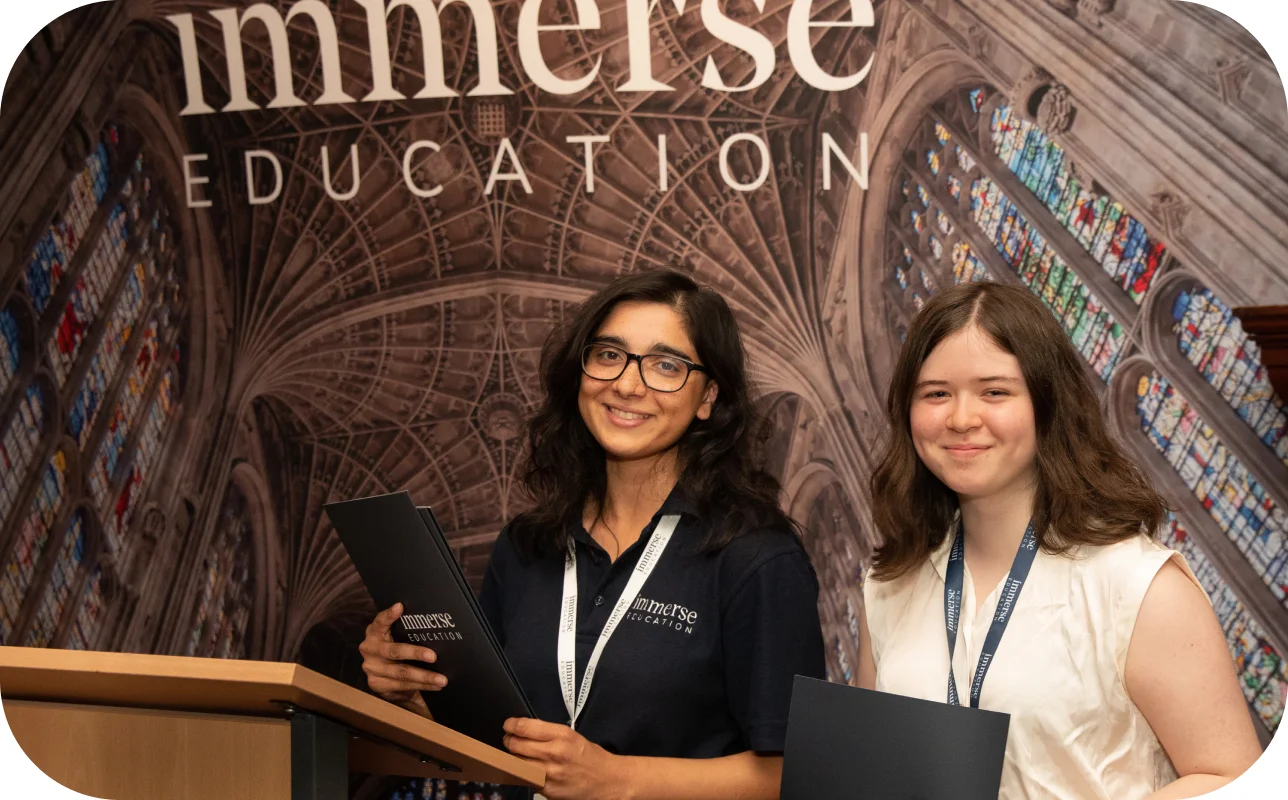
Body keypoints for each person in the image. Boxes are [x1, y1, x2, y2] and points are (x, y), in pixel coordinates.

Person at [359, 269, 826, 800]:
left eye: (666, 365)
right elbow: (490, 734)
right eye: (609, 355)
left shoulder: (756, 559)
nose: (627, 384)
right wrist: (411, 692)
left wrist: (619, 781)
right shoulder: (528, 545)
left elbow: (796, 775)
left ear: (708, 398)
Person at [857, 281, 1262, 799]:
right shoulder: (889, 585)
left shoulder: (1137, 587)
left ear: (1048, 403)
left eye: (995, 391)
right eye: (936, 393)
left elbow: (1237, 782)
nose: (960, 418)